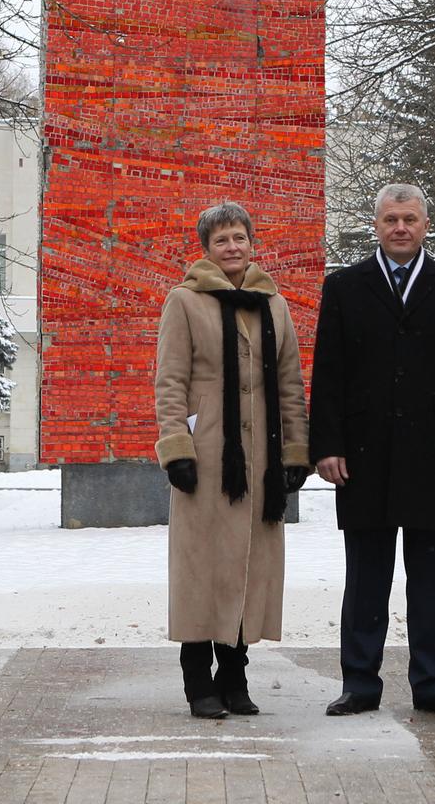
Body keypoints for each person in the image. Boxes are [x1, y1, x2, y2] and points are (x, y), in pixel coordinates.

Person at [309, 183, 435, 716]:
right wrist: (328, 445)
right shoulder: (344, 287)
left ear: (425, 224)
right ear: (376, 225)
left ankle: (434, 684)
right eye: (391, 219)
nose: (400, 228)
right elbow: (330, 371)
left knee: (431, 579)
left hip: (434, 456)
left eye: (410, 218)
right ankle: (360, 683)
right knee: (366, 577)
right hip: (361, 456)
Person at [154, 201, 310, 718]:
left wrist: (294, 451)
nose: (232, 247)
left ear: (251, 242)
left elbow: (290, 385)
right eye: (221, 240)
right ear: (206, 248)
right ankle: (199, 682)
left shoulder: (275, 305)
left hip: (259, 461)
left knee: (248, 570)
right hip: (208, 457)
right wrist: (176, 447)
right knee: (202, 571)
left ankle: (236, 678)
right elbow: (170, 382)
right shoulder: (184, 301)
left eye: (240, 237)